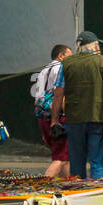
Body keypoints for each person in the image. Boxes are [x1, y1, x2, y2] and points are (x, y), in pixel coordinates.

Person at [49, 30, 103, 181]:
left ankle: (79, 195)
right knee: (97, 160)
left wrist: (54, 120)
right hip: (98, 116)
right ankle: (96, 194)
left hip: (74, 118)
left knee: (76, 162)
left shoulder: (68, 62)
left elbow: (58, 94)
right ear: (95, 45)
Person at [33, 44, 71, 178]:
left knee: (65, 157)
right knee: (60, 158)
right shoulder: (60, 69)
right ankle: (43, 186)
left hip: (42, 116)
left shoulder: (44, 70)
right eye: (69, 56)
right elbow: (60, 95)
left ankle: (68, 187)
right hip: (56, 117)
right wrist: (65, 116)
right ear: (61, 56)